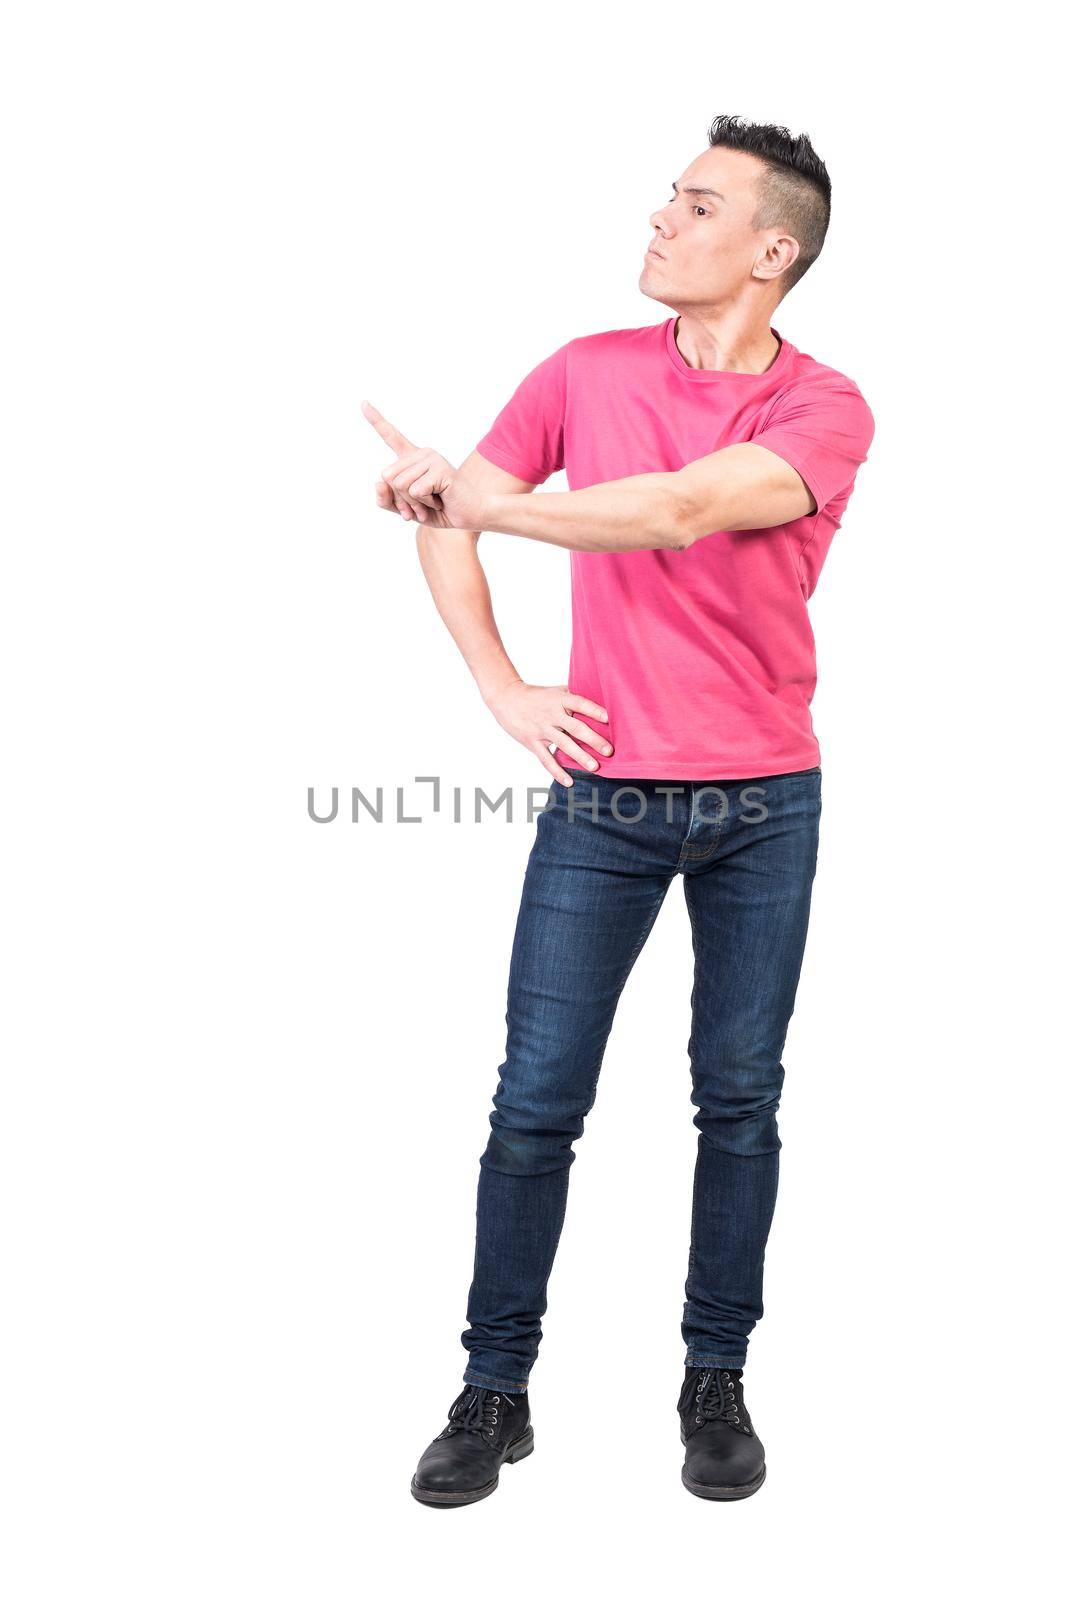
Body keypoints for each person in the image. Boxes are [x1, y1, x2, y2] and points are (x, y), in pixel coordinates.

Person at [362, 114, 875, 1506]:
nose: (659, 222)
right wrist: (502, 686)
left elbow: (677, 510)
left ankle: (716, 1382)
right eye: (664, 200)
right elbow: (449, 518)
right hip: (607, 799)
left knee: (739, 1100)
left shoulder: (823, 409)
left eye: (695, 206)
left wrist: (485, 502)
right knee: (534, 1104)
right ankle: (494, 1390)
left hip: (767, 803)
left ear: (773, 250)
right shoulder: (583, 370)